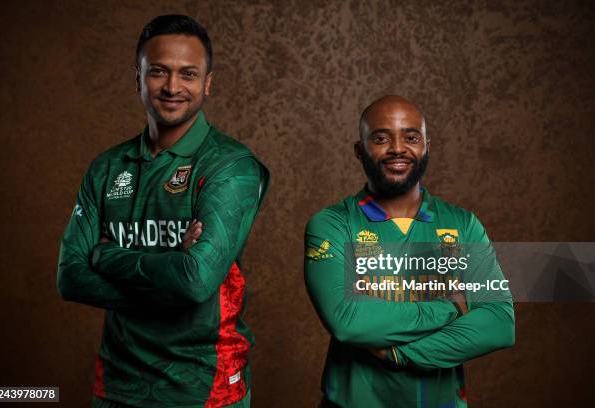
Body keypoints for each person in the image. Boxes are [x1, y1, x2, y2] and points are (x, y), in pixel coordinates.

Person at [57, 15, 269, 408]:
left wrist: (106, 255)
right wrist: (170, 270)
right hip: (117, 384)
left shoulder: (231, 166)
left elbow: (194, 283)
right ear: (137, 77)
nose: (172, 87)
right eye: (158, 72)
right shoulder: (106, 167)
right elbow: (70, 277)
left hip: (203, 387)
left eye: (188, 74)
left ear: (207, 83)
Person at [304, 95, 514, 408]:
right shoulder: (333, 224)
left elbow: (499, 324)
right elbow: (348, 320)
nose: (398, 148)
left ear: (426, 145)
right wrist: (447, 308)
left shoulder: (463, 225)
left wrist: (397, 353)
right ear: (359, 150)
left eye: (411, 137)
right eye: (381, 138)